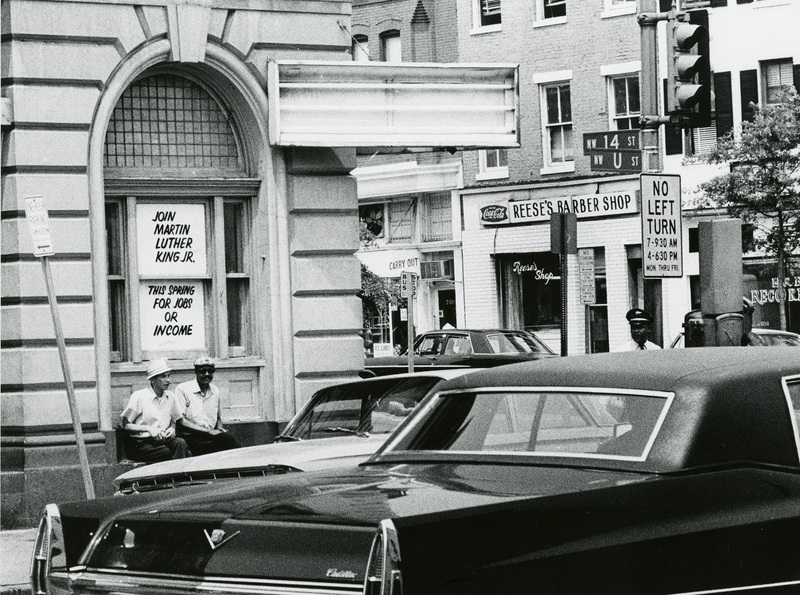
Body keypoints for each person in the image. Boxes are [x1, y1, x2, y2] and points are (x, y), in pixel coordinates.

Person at [121, 358, 188, 462]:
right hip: (143, 443)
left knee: (181, 443)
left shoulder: (171, 397)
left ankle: (176, 477)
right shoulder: (139, 396)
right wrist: (149, 429)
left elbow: (175, 421)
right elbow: (126, 425)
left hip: (164, 440)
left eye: (168, 376)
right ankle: (175, 476)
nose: (168, 380)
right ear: (152, 380)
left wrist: (172, 428)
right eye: (163, 377)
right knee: (170, 452)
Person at [175, 356, 240, 455]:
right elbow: (181, 421)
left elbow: (217, 417)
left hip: (210, 435)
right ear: (196, 372)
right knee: (225, 447)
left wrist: (220, 428)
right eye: (202, 371)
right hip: (191, 437)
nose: (207, 374)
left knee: (228, 441)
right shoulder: (183, 389)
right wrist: (208, 432)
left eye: (210, 371)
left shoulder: (215, 390)